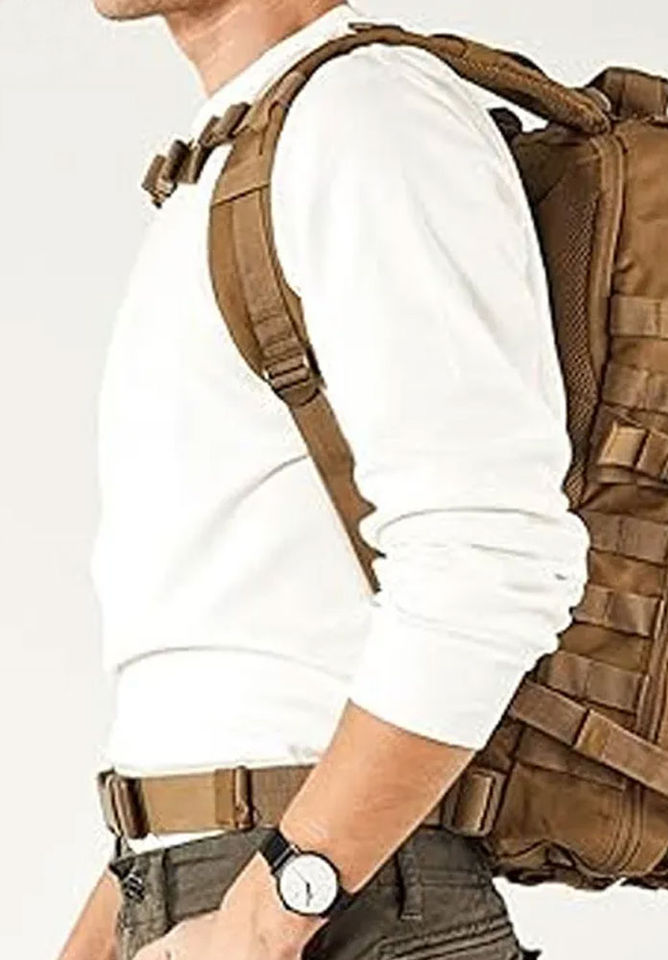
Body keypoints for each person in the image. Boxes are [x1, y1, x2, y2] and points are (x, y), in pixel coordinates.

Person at [57, 1, 589, 958]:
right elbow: (221, 670)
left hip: (333, 902)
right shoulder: (234, 154)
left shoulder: (366, 118)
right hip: (219, 886)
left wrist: (267, 919)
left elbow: (492, 554)